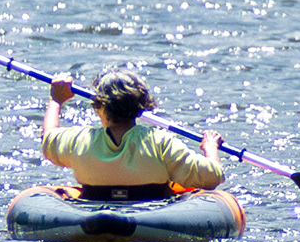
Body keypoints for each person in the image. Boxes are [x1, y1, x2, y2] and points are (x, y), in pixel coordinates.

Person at [38, 69, 227, 200]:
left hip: (94, 210)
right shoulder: (160, 142)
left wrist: (56, 100)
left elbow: (48, 140)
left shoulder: (79, 140)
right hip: (153, 212)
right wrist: (210, 148)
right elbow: (212, 177)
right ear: (141, 108)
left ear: (98, 107)